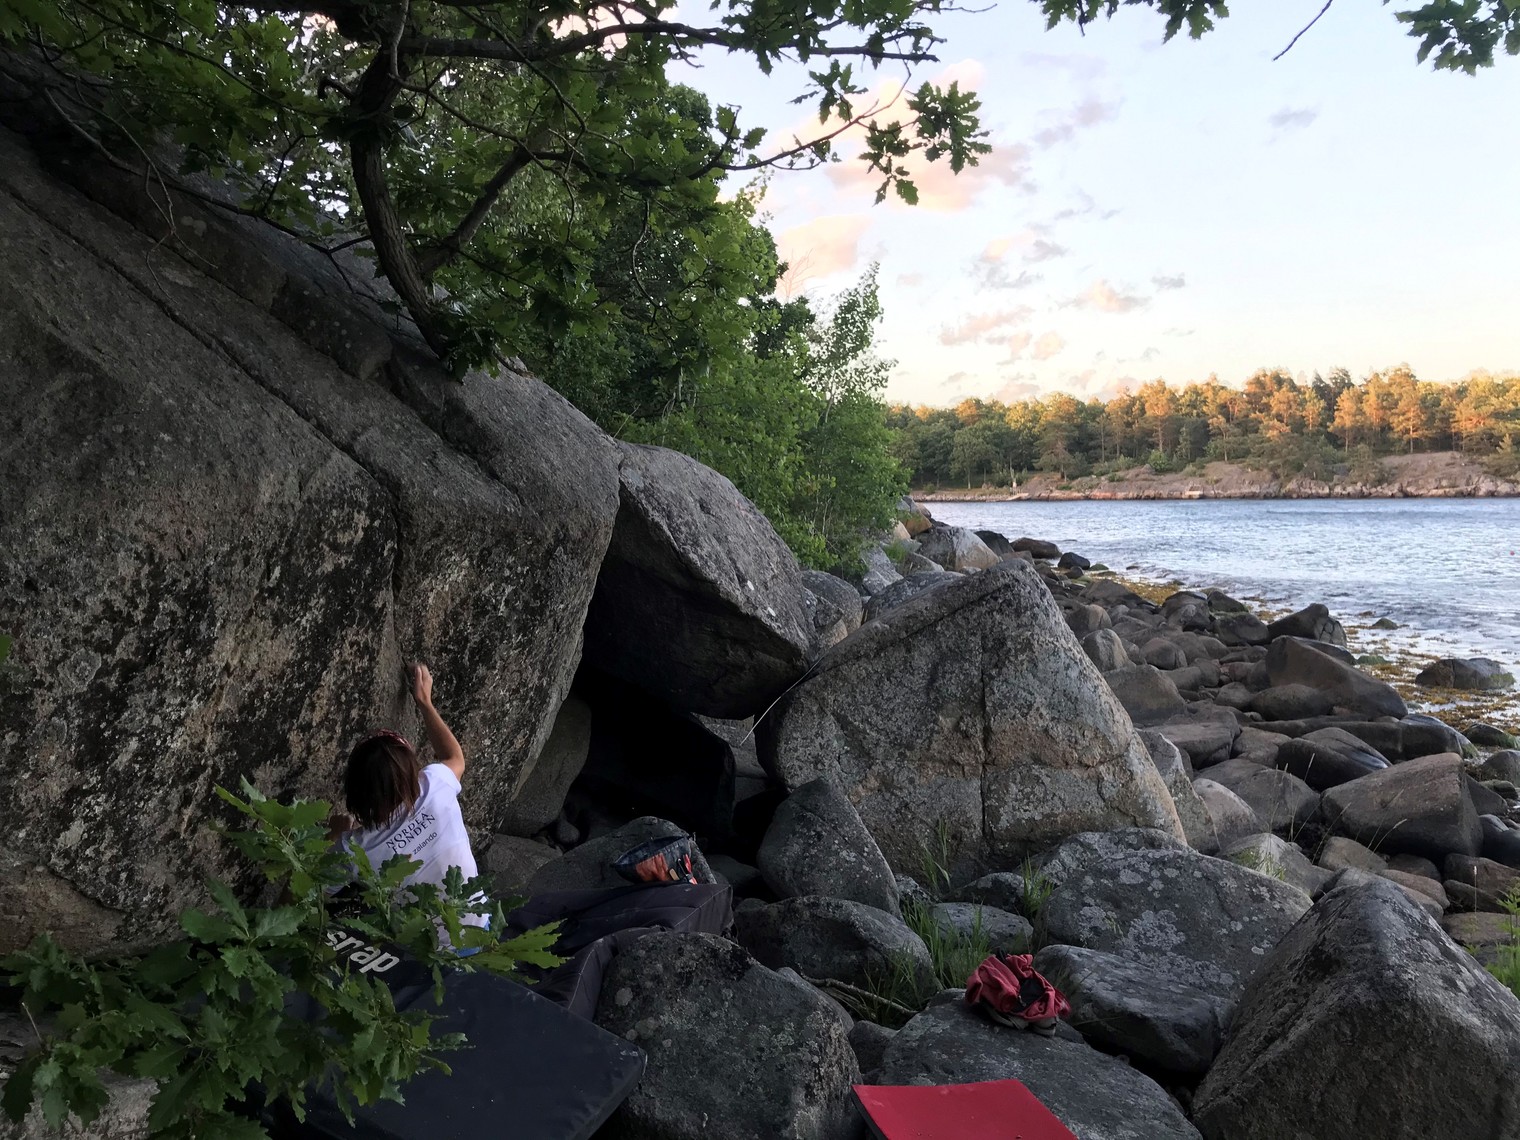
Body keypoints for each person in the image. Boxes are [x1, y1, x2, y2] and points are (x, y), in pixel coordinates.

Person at [329, 662, 489, 947]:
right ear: (411, 769)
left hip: (425, 957)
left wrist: (332, 837)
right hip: (481, 931)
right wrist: (425, 702)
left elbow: (301, 896)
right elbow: (455, 757)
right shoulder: (436, 786)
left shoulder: (354, 849)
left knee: (360, 901)